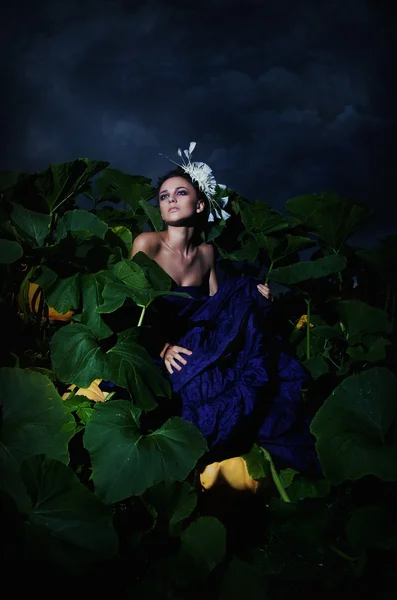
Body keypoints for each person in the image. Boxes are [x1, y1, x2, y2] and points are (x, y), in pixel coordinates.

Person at [131, 143, 320, 490]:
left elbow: (220, 302)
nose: (170, 200)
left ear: (199, 204)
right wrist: (160, 348)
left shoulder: (207, 252)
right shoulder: (148, 244)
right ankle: (188, 465)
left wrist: (253, 292)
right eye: (163, 196)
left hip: (197, 336)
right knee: (197, 391)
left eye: (180, 192)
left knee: (250, 370)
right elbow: (133, 307)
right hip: (159, 342)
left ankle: (236, 455)